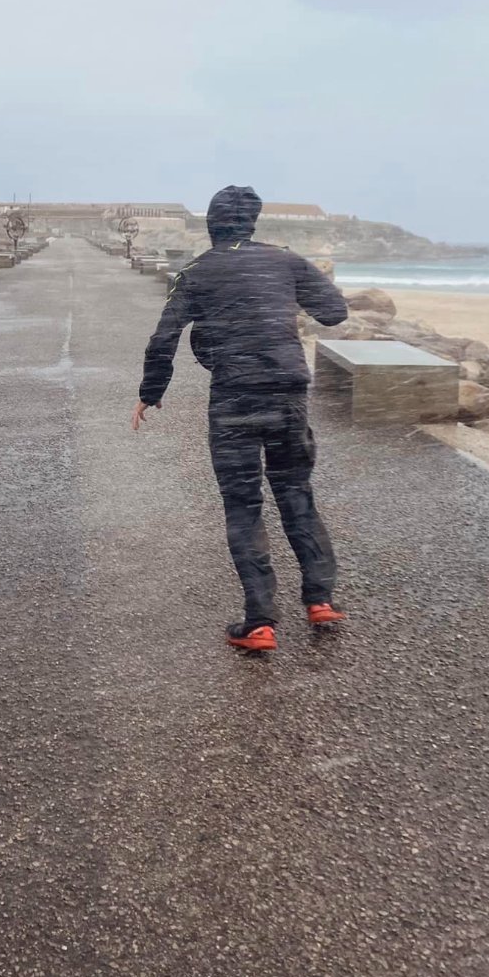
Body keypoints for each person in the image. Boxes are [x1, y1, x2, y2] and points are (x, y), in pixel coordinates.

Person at [132, 185, 349, 652]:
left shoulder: (196, 270)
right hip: (289, 391)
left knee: (243, 503)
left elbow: (164, 336)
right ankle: (319, 600)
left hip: (235, 398)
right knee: (295, 491)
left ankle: (260, 622)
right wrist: (277, 309)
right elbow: (334, 312)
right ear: (253, 222)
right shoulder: (286, 260)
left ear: (212, 223)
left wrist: (150, 394)